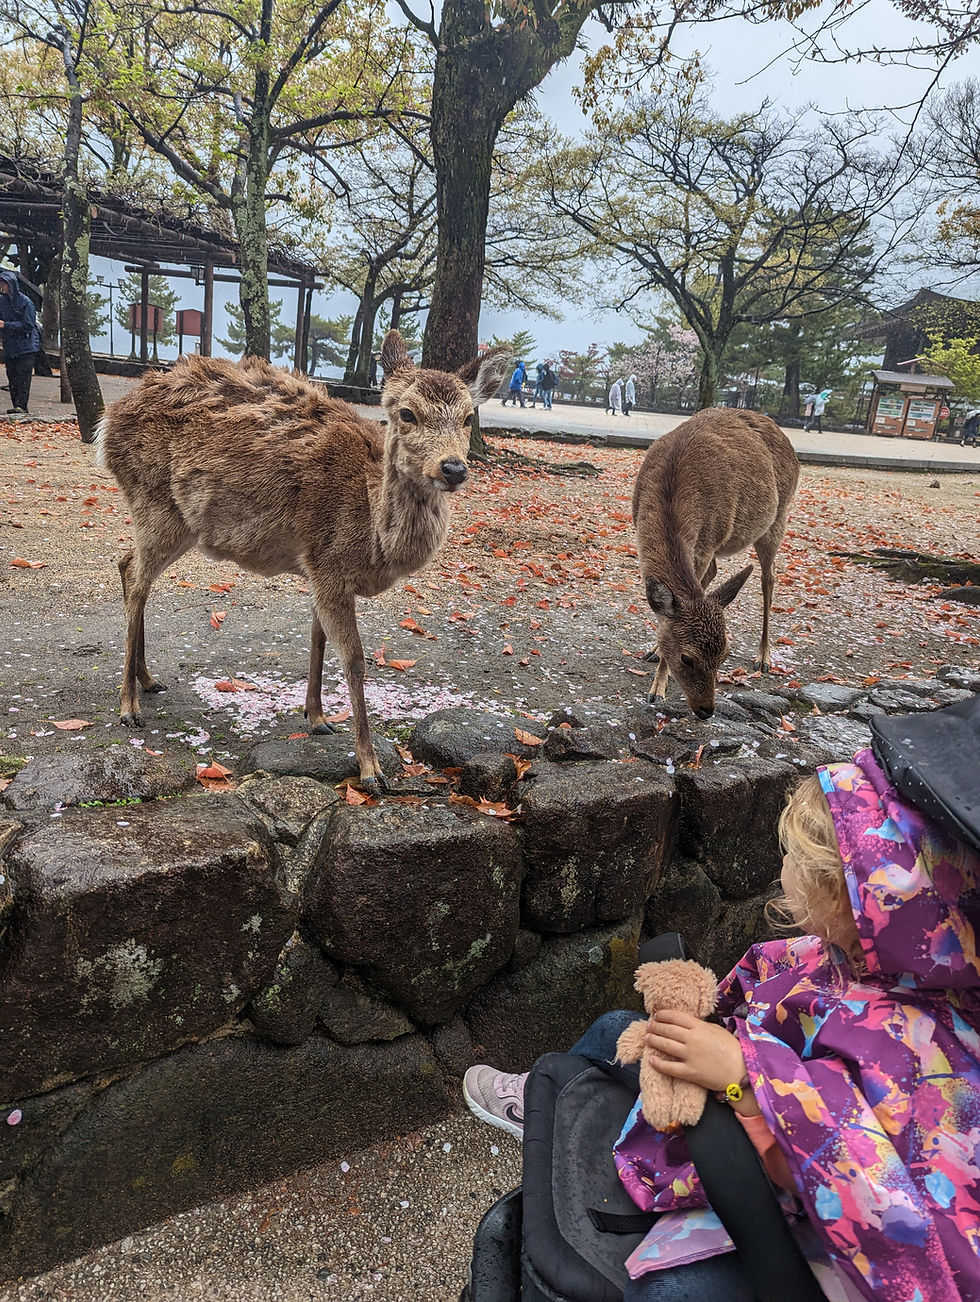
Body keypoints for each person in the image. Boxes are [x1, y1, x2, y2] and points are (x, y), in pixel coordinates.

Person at [464, 750, 980, 1302]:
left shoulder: (912, 1047)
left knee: (669, 1292)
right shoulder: (846, 955)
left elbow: (858, 1184)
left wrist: (744, 1078)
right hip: (736, 1102)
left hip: (786, 1210)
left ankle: (583, 1123)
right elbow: (758, 993)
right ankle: (553, 1103)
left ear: (851, 901)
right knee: (619, 1024)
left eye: (795, 862)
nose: (781, 868)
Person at [0, 269, 40, 416]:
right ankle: (16, 405)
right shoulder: (2, 301)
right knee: (12, 376)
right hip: (11, 346)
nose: (1, 286)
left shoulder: (25, 303)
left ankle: (21, 406)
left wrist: (6, 325)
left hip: (26, 347)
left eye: (3, 283)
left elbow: (28, 325)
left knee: (23, 378)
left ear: (10, 284)